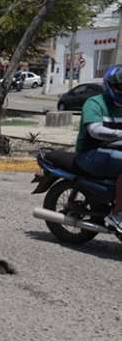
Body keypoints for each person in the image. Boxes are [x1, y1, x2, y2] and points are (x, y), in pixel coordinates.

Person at [74, 64, 122, 233]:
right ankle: (117, 214)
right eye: (120, 86)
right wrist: (119, 133)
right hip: (89, 153)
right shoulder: (94, 103)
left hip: (111, 152)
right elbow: (94, 131)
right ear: (110, 85)